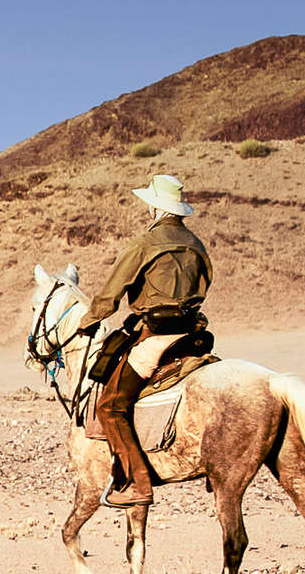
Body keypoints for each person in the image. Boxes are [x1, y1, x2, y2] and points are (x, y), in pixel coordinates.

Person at [77, 175, 212, 509]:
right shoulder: (197, 245)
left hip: (156, 334)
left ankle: (138, 483)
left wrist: (86, 323)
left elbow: (111, 293)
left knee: (110, 405)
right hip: (192, 335)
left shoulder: (145, 244)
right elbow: (206, 284)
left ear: (154, 207)